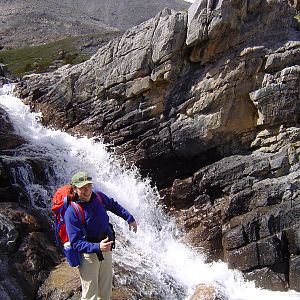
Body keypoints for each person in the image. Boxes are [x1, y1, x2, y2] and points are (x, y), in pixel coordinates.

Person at [64, 171, 137, 300]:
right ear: (75, 189)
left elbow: (113, 205)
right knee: (90, 295)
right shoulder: (72, 212)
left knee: (105, 292)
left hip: (106, 248)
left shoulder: (98, 197)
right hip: (88, 255)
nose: (87, 191)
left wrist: (129, 217)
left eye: (89, 186)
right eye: (82, 188)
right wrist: (98, 247)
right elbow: (75, 242)